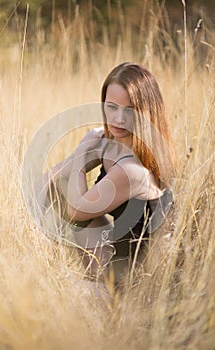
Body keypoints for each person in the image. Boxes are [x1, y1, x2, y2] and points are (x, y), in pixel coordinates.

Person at [37, 62, 177, 282]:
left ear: (146, 112)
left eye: (129, 110)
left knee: (47, 292)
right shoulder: (111, 142)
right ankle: (39, 259)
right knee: (56, 190)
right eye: (112, 107)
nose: (118, 119)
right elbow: (48, 180)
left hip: (134, 282)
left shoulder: (133, 171)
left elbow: (76, 209)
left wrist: (82, 154)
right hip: (110, 256)